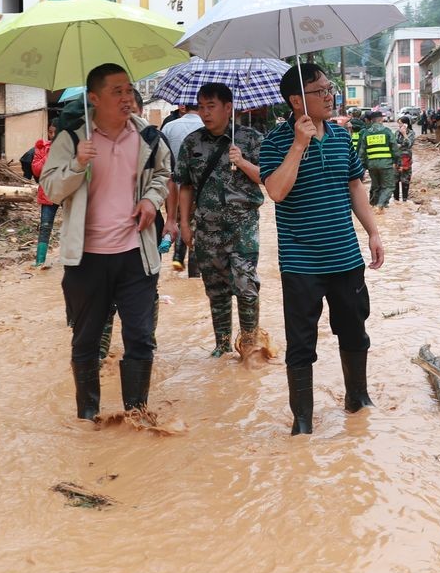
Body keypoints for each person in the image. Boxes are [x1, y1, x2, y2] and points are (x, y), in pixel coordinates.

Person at [259, 63, 385, 436]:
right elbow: (276, 191)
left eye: (330, 89)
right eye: (320, 91)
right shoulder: (275, 142)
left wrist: (373, 233)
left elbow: (355, 188)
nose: (330, 96)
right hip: (301, 263)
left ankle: (357, 399)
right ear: (296, 100)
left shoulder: (341, 137)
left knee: (354, 331)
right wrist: (298, 144)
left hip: (345, 257)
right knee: (301, 343)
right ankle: (302, 421)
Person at [41, 64, 171, 420]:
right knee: (86, 341)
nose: (127, 98)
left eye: (129, 90)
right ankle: (88, 417)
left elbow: (163, 173)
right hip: (86, 259)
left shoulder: (148, 136)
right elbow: (51, 190)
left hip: (136, 255)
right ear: (94, 99)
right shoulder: (71, 140)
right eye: (117, 91)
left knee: (141, 337)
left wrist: (151, 200)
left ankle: (136, 416)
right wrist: (78, 164)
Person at [175, 83, 265, 357]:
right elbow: (186, 185)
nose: (204, 113)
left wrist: (243, 161)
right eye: (201, 107)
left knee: (246, 286)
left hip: (243, 226)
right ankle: (222, 345)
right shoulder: (192, 142)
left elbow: (268, 178)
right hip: (207, 229)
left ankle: (249, 345)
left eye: (210, 106)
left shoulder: (250, 139)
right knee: (216, 290)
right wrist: (184, 224)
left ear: (228, 108)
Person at [161, 104, 204, 274]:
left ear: (184, 108)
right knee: (198, 226)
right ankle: (194, 272)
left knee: (178, 221)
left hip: (174, 186)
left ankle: (178, 258)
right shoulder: (207, 127)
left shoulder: (169, 127)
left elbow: (162, 157)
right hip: (201, 187)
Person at [357, 110, 399, 212]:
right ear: (381, 119)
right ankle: (380, 205)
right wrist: (397, 162)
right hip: (386, 164)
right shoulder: (387, 131)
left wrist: (363, 166)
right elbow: (395, 148)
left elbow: (362, 153)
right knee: (389, 186)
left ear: (371, 120)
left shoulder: (366, 133)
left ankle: (373, 206)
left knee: (376, 186)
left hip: (372, 165)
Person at [30, 121, 58, 267]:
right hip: (48, 192)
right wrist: (50, 155)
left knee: (73, 225)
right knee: (45, 226)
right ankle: (40, 261)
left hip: (67, 192)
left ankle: (74, 262)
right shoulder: (42, 147)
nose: (52, 135)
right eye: (50, 132)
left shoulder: (70, 147)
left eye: (55, 132)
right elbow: (36, 170)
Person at [394, 118, 415, 202]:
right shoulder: (396, 133)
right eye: (398, 124)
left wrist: (404, 134)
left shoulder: (411, 133)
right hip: (397, 158)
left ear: (406, 124)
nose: (399, 126)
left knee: (405, 179)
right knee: (395, 178)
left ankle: (405, 199)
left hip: (406, 158)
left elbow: (409, 144)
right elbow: (394, 144)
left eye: (401, 123)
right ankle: (396, 200)